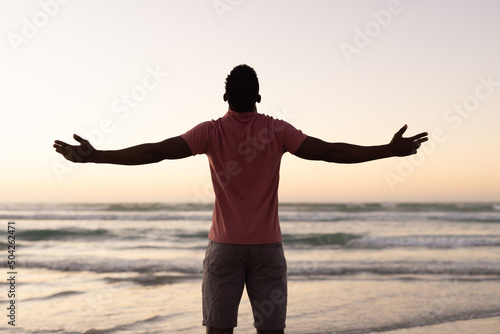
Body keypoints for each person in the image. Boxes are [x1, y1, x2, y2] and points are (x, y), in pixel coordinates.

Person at [53, 64, 428, 334]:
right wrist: (388, 151)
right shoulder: (278, 130)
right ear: (259, 97)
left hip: (224, 251)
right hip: (268, 250)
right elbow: (331, 151)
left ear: (225, 97)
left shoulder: (210, 132)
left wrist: (98, 155)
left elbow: (156, 151)